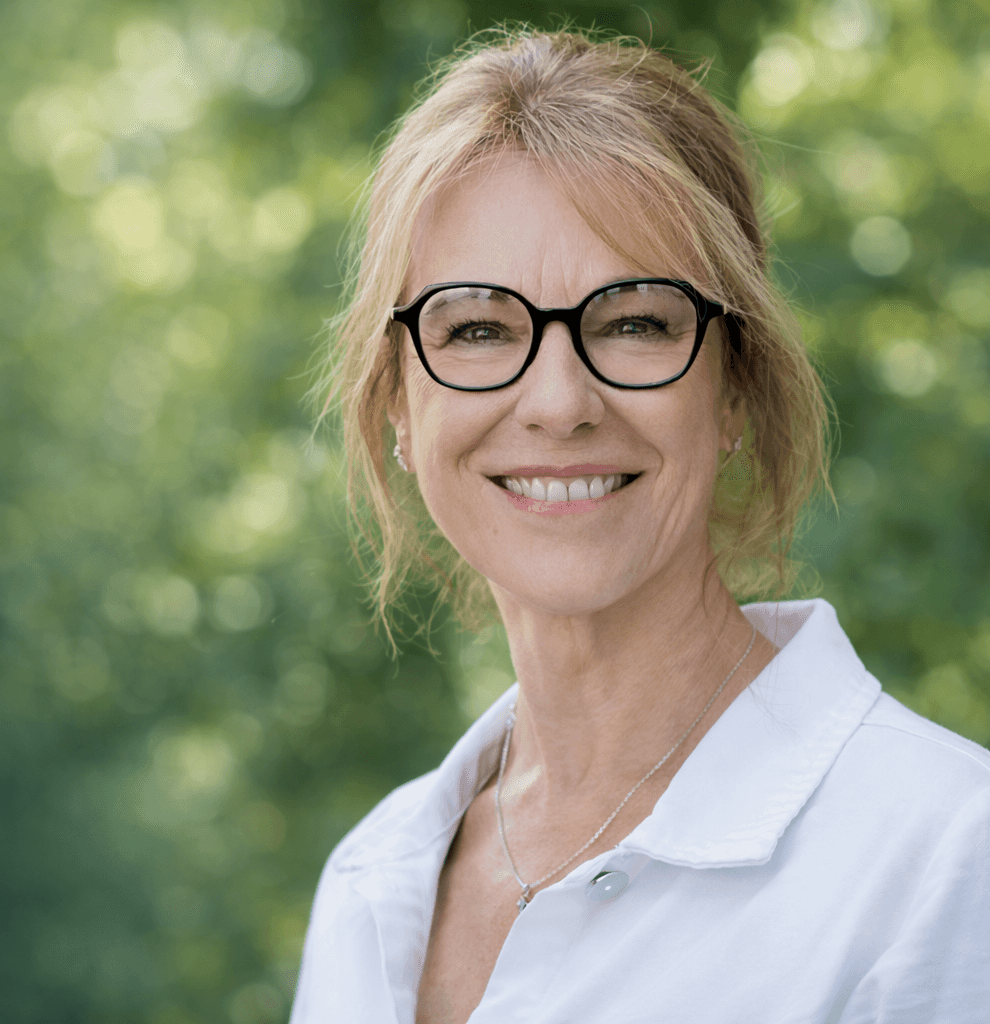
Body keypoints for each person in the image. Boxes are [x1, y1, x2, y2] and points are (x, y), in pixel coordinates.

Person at [291, 29, 990, 1024]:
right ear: (399, 409)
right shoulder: (370, 887)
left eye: (635, 321)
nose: (560, 402)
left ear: (737, 388)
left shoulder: (944, 858)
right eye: (479, 328)